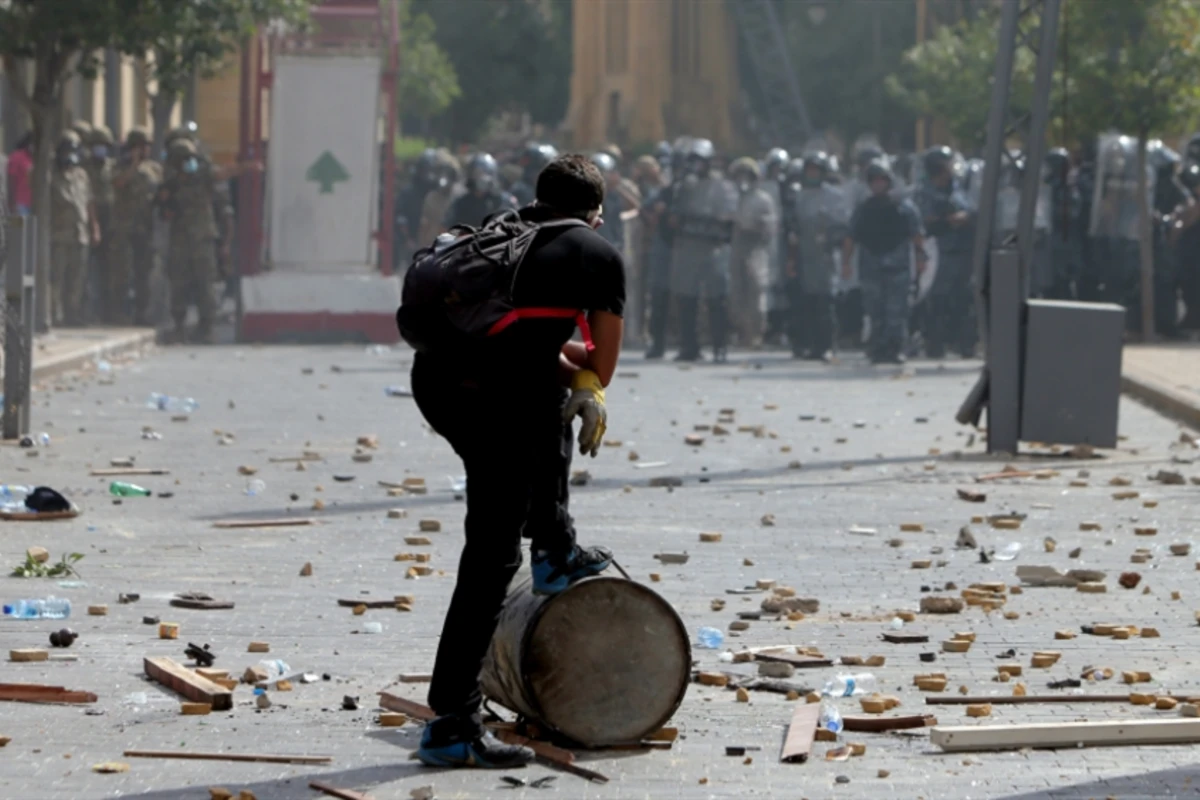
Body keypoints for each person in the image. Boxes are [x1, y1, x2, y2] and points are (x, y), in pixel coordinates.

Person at [410, 154, 623, 769]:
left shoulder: (500, 233)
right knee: (492, 557)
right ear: (596, 213)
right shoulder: (595, 255)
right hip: (497, 400)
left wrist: (572, 372)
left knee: (547, 401)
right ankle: (451, 723)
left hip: (443, 387)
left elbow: (530, 343)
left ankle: (553, 546)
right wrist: (590, 382)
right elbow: (597, 365)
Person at [843, 160, 927, 365]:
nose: (878, 185)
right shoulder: (863, 209)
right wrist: (846, 263)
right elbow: (850, 237)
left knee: (897, 312)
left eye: (882, 180)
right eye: (874, 181)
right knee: (875, 311)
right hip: (871, 267)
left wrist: (920, 259)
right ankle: (878, 348)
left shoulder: (905, 208)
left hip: (898, 268)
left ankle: (896, 348)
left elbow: (917, 236)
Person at [669, 138, 737, 362]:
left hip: (713, 248)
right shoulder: (683, 185)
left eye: (701, 161)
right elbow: (674, 216)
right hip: (688, 247)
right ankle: (689, 347)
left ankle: (720, 346)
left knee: (717, 299)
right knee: (687, 298)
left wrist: (710, 222)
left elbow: (728, 216)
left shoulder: (722, 185)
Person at [158, 138, 230, 342]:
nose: (188, 163)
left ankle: (206, 327)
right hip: (180, 240)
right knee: (179, 283)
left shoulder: (202, 177)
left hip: (202, 239)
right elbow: (164, 213)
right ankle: (179, 326)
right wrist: (166, 202)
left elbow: (221, 173)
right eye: (184, 160)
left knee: (205, 283)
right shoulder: (170, 185)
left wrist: (246, 167)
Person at [914, 146, 976, 358]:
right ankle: (935, 344)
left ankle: (964, 345)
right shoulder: (924, 192)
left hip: (962, 251)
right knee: (936, 300)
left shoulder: (958, 189)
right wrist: (950, 220)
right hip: (938, 253)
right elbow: (926, 223)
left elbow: (970, 211)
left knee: (964, 298)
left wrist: (963, 218)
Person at [787, 152, 847, 361]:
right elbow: (794, 227)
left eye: (816, 170)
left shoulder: (834, 196)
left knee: (826, 303)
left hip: (826, 256)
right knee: (807, 303)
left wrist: (830, 237)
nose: (812, 173)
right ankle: (810, 345)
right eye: (809, 170)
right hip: (806, 256)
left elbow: (842, 227)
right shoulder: (800, 196)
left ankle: (828, 345)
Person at [111, 128, 162, 325]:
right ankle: (118, 314)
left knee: (144, 273)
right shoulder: (119, 166)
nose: (146, 150)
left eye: (147, 146)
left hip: (145, 228)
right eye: (142, 146)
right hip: (123, 228)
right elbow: (118, 183)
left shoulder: (154, 169)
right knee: (121, 273)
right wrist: (133, 164)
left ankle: (142, 313)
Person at [728, 157, 777, 347]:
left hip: (756, 247)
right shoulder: (732, 197)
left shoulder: (763, 199)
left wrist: (753, 226)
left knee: (756, 291)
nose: (742, 179)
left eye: (746, 174)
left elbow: (770, 226)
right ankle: (741, 332)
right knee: (737, 292)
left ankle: (756, 334)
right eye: (739, 174)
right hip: (736, 247)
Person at [50, 131, 98, 326]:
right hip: (59, 234)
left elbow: (89, 202)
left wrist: (95, 227)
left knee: (77, 278)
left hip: (80, 234)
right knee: (57, 277)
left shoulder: (81, 175)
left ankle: (72, 314)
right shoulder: (50, 175)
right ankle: (55, 315)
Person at [86, 126, 117, 322]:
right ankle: (87, 310)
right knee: (87, 270)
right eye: (97, 145)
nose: (101, 149)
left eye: (103, 145)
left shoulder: (112, 166)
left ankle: (108, 311)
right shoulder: (84, 167)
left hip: (111, 220)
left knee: (110, 269)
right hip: (90, 218)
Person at [444, 153, 517, 228]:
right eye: (477, 173)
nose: (482, 178)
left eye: (485, 174)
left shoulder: (503, 201)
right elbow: (447, 229)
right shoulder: (461, 203)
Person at [417, 150, 463, 246]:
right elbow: (425, 225)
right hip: (434, 247)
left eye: (447, 173)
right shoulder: (431, 198)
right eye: (441, 172)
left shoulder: (460, 198)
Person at [6, 132, 33, 216]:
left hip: (35, 205)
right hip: (20, 205)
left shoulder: (39, 159)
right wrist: (12, 203)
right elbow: (11, 180)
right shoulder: (17, 157)